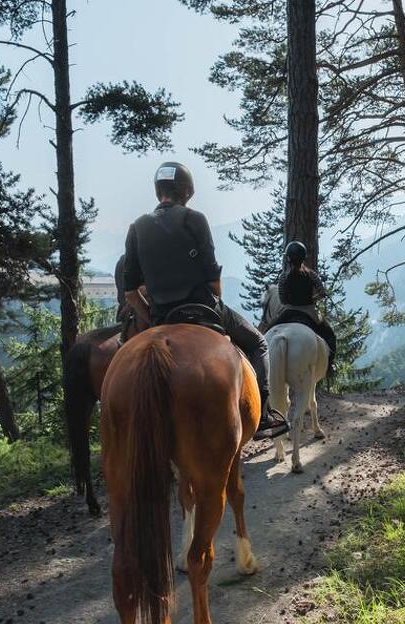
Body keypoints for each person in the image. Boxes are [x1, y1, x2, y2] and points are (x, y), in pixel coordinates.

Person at [121, 161, 289, 440]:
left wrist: (153, 316)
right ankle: (264, 417)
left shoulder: (137, 227)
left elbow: (130, 293)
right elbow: (213, 282)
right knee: (259, 343)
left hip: (162, 317)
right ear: (186, 192)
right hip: (201, 307)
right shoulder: (194, 219)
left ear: (158, 191)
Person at [276, 241, 337, 371]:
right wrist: (311, 299)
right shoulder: (312, 275)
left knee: (268, 332)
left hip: (289, 311)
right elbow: (322, 293)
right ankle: (330, 365)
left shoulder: (283, 277)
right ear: (303, 258)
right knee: (330, 335)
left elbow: (282, 300)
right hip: (309, 311)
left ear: (288, 259)